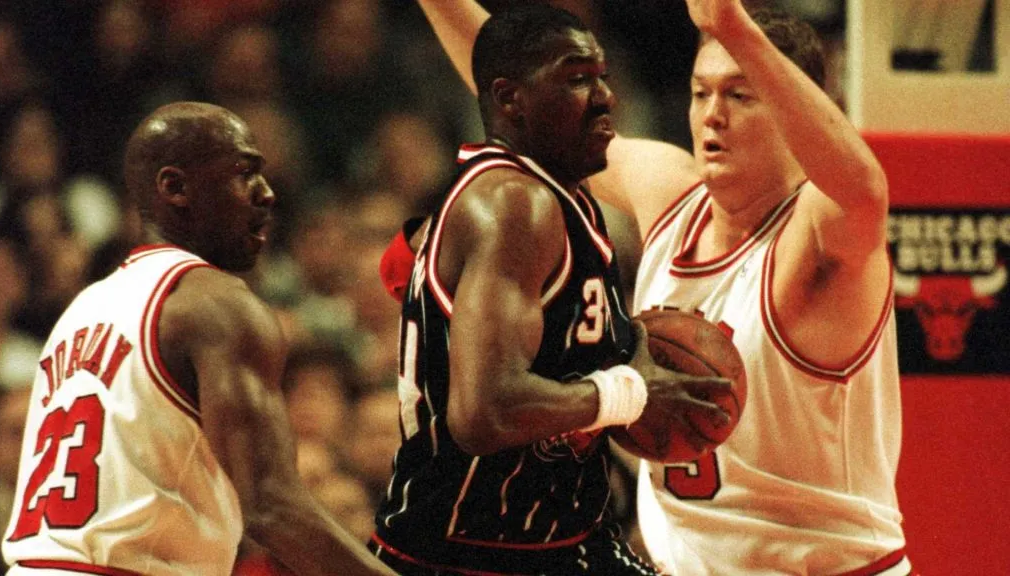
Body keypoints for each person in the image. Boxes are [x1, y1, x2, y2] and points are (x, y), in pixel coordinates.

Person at [390, 0, 914, 574]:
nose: (713, 115)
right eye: (700, 93)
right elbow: (528, 96)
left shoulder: (819, 233)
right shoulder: (670, 192)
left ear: (798, 109)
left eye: (741, 95)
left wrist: (733, 27)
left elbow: (865, 188)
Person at [368, 6, 733, 576]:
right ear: (510, 99)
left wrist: (622, 349)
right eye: (578, 78)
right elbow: (483, 412)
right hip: (469, 557)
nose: (606, 97)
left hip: (565, 543)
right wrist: (632, 392)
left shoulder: (559, 193)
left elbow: (401, 270)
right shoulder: (515, 202)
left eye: (603, 76)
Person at [0, 101, 396, 576]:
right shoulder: (215, 304)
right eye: (244, 173)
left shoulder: (84, 308)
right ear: (175, 187)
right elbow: (273, 507)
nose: (266, 193)